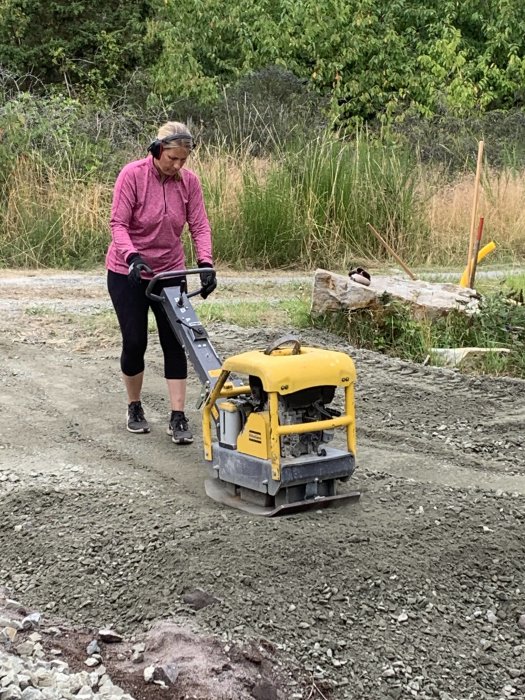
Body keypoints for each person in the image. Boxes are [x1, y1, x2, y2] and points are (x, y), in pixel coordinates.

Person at [105, 121, 216, 444]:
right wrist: (131, 256)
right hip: (129, 272)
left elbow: (200, 225)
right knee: (135, 341)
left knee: (176, 342)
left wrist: (206, 264)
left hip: (169, 272)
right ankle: (134, 406)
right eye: (173, 159)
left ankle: (178, 416)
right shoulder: (132, 175)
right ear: (157, 151)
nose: (178, 165)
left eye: (183, 160)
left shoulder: (189, 182)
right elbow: (118, 223)